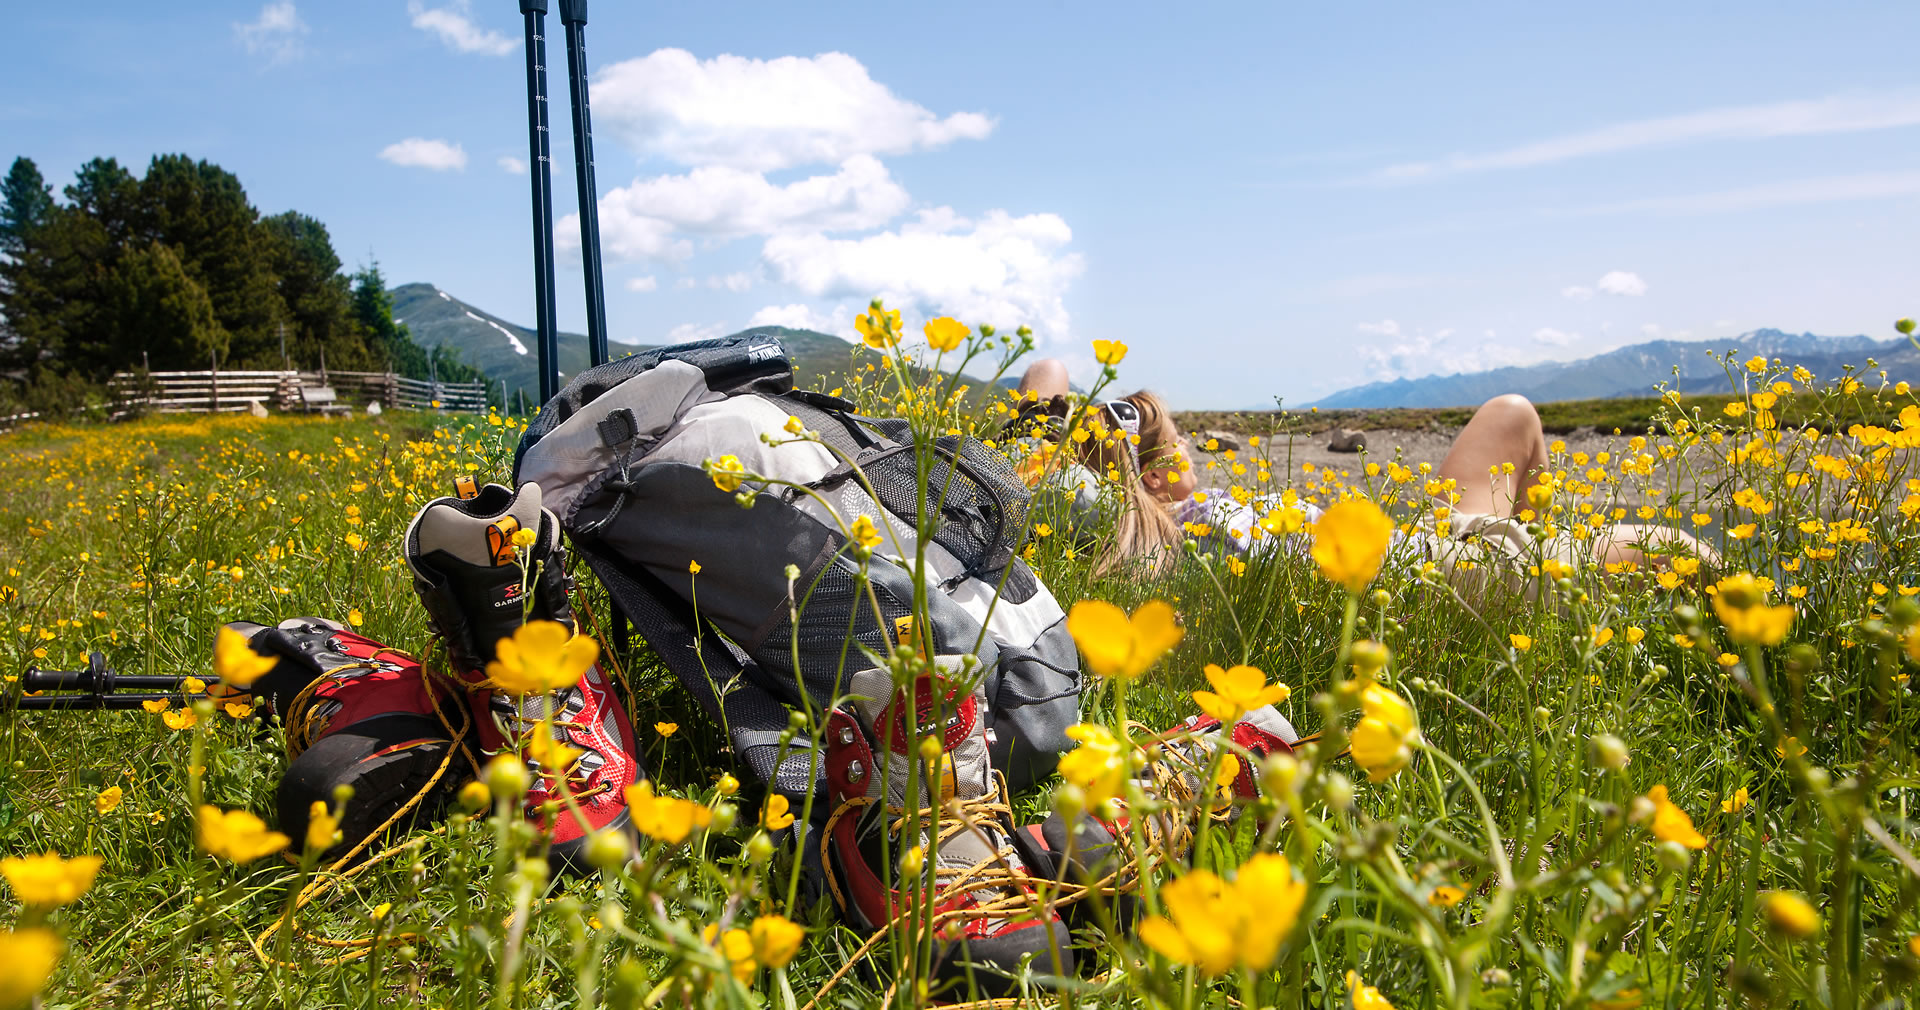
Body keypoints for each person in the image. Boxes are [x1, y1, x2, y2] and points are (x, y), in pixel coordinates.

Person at [1013, 360, 1718, 592]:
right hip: (1428, 570)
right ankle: (1546, 589)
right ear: (1151, 474)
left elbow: (1049, 385)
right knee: (1690, 553)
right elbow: (1046, 372)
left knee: (1511, 413)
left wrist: (1081, 427)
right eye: (1173, 443)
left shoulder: (1173, 514)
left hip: (1416, 535)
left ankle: (1553, 603)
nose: (1187, 452)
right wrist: (1077, 440)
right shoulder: (1140, 533)